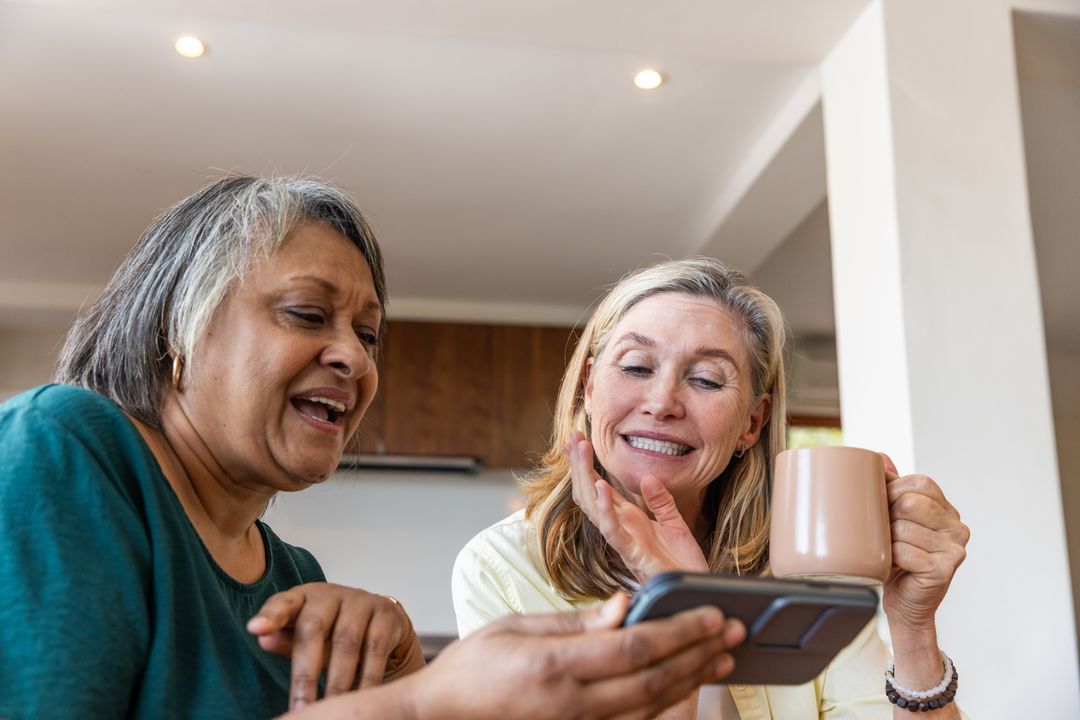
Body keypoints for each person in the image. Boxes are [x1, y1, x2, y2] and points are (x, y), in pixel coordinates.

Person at [0, 177, 748, 719]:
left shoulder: (295, 577)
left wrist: (401, 671)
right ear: (179, 328)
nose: (354, 360)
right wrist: (424, 704)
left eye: (366, 334)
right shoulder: (69, 448)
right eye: (306, 314)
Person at [452, 257, 971, 719]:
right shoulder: (500, 568)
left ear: (752, 422)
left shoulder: (803, 566)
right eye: (636, 366)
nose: (662, 402)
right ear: (589, 389)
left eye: (705, 380)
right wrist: (681, 611)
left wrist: (912, 626)